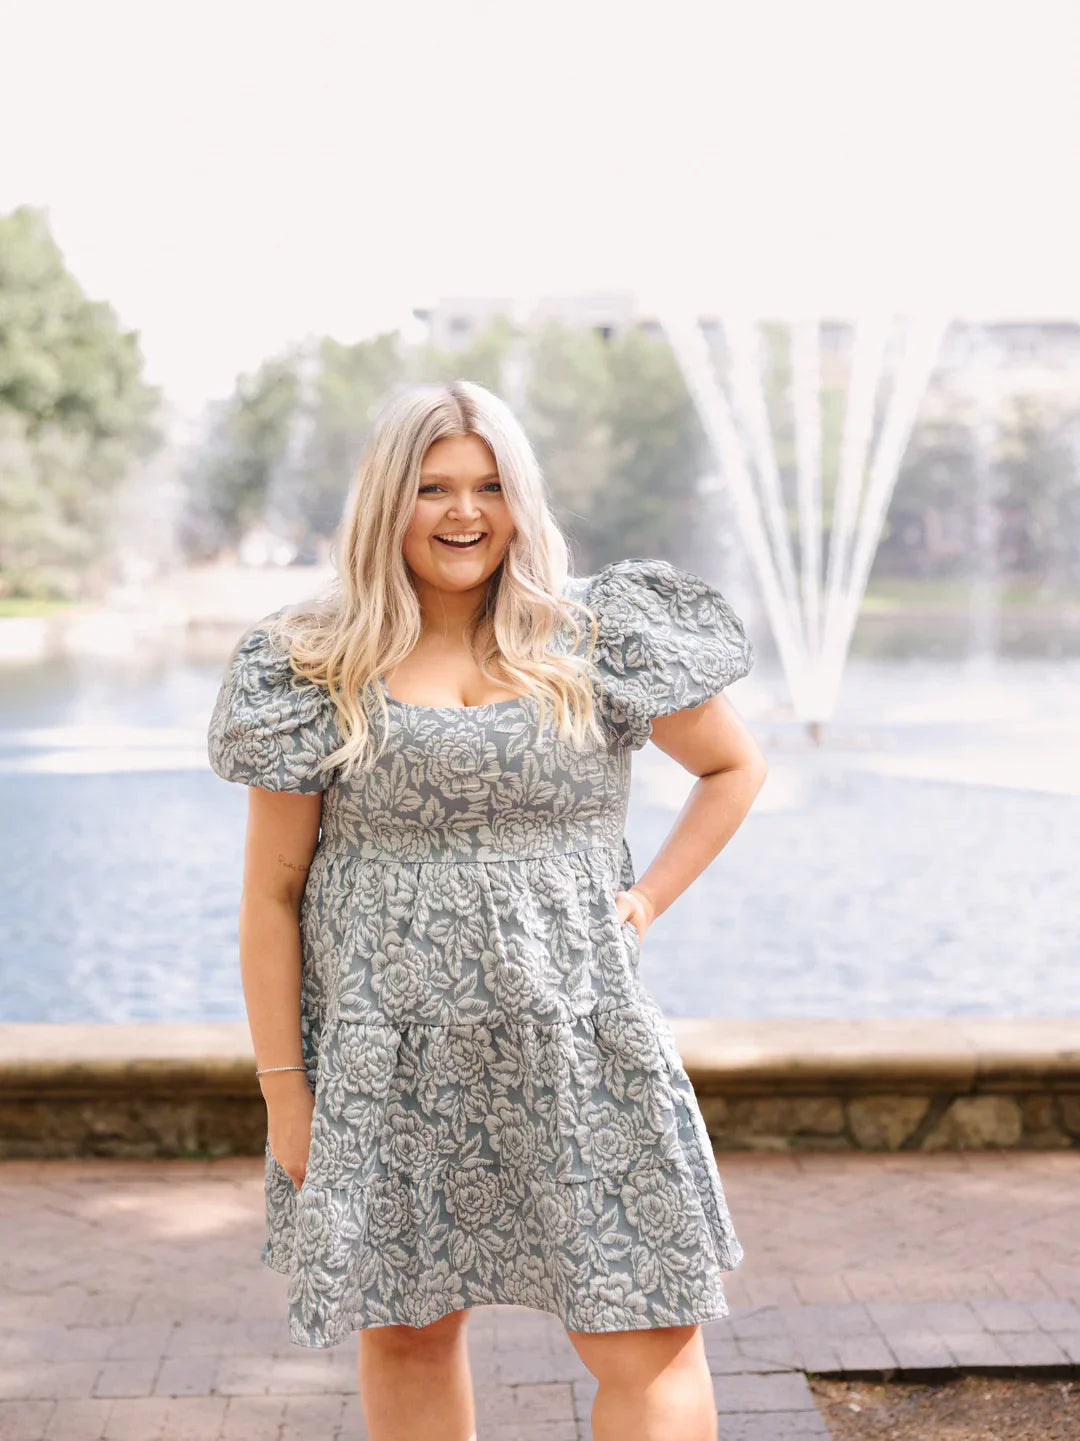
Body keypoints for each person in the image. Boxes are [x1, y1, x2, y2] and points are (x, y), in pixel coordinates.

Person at [206, 378, 768, 1441]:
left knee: (652, 1332)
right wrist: (287, 1089)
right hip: (389, 1060)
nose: (464, 513)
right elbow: (271, 896)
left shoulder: (597, 637)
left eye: (488, 486)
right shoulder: (314, 665)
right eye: (432, 488)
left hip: (578, 1045)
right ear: (387, 503)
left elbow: (735, 767)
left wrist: (642, 904)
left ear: (521, 499)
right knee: (411, 1332)